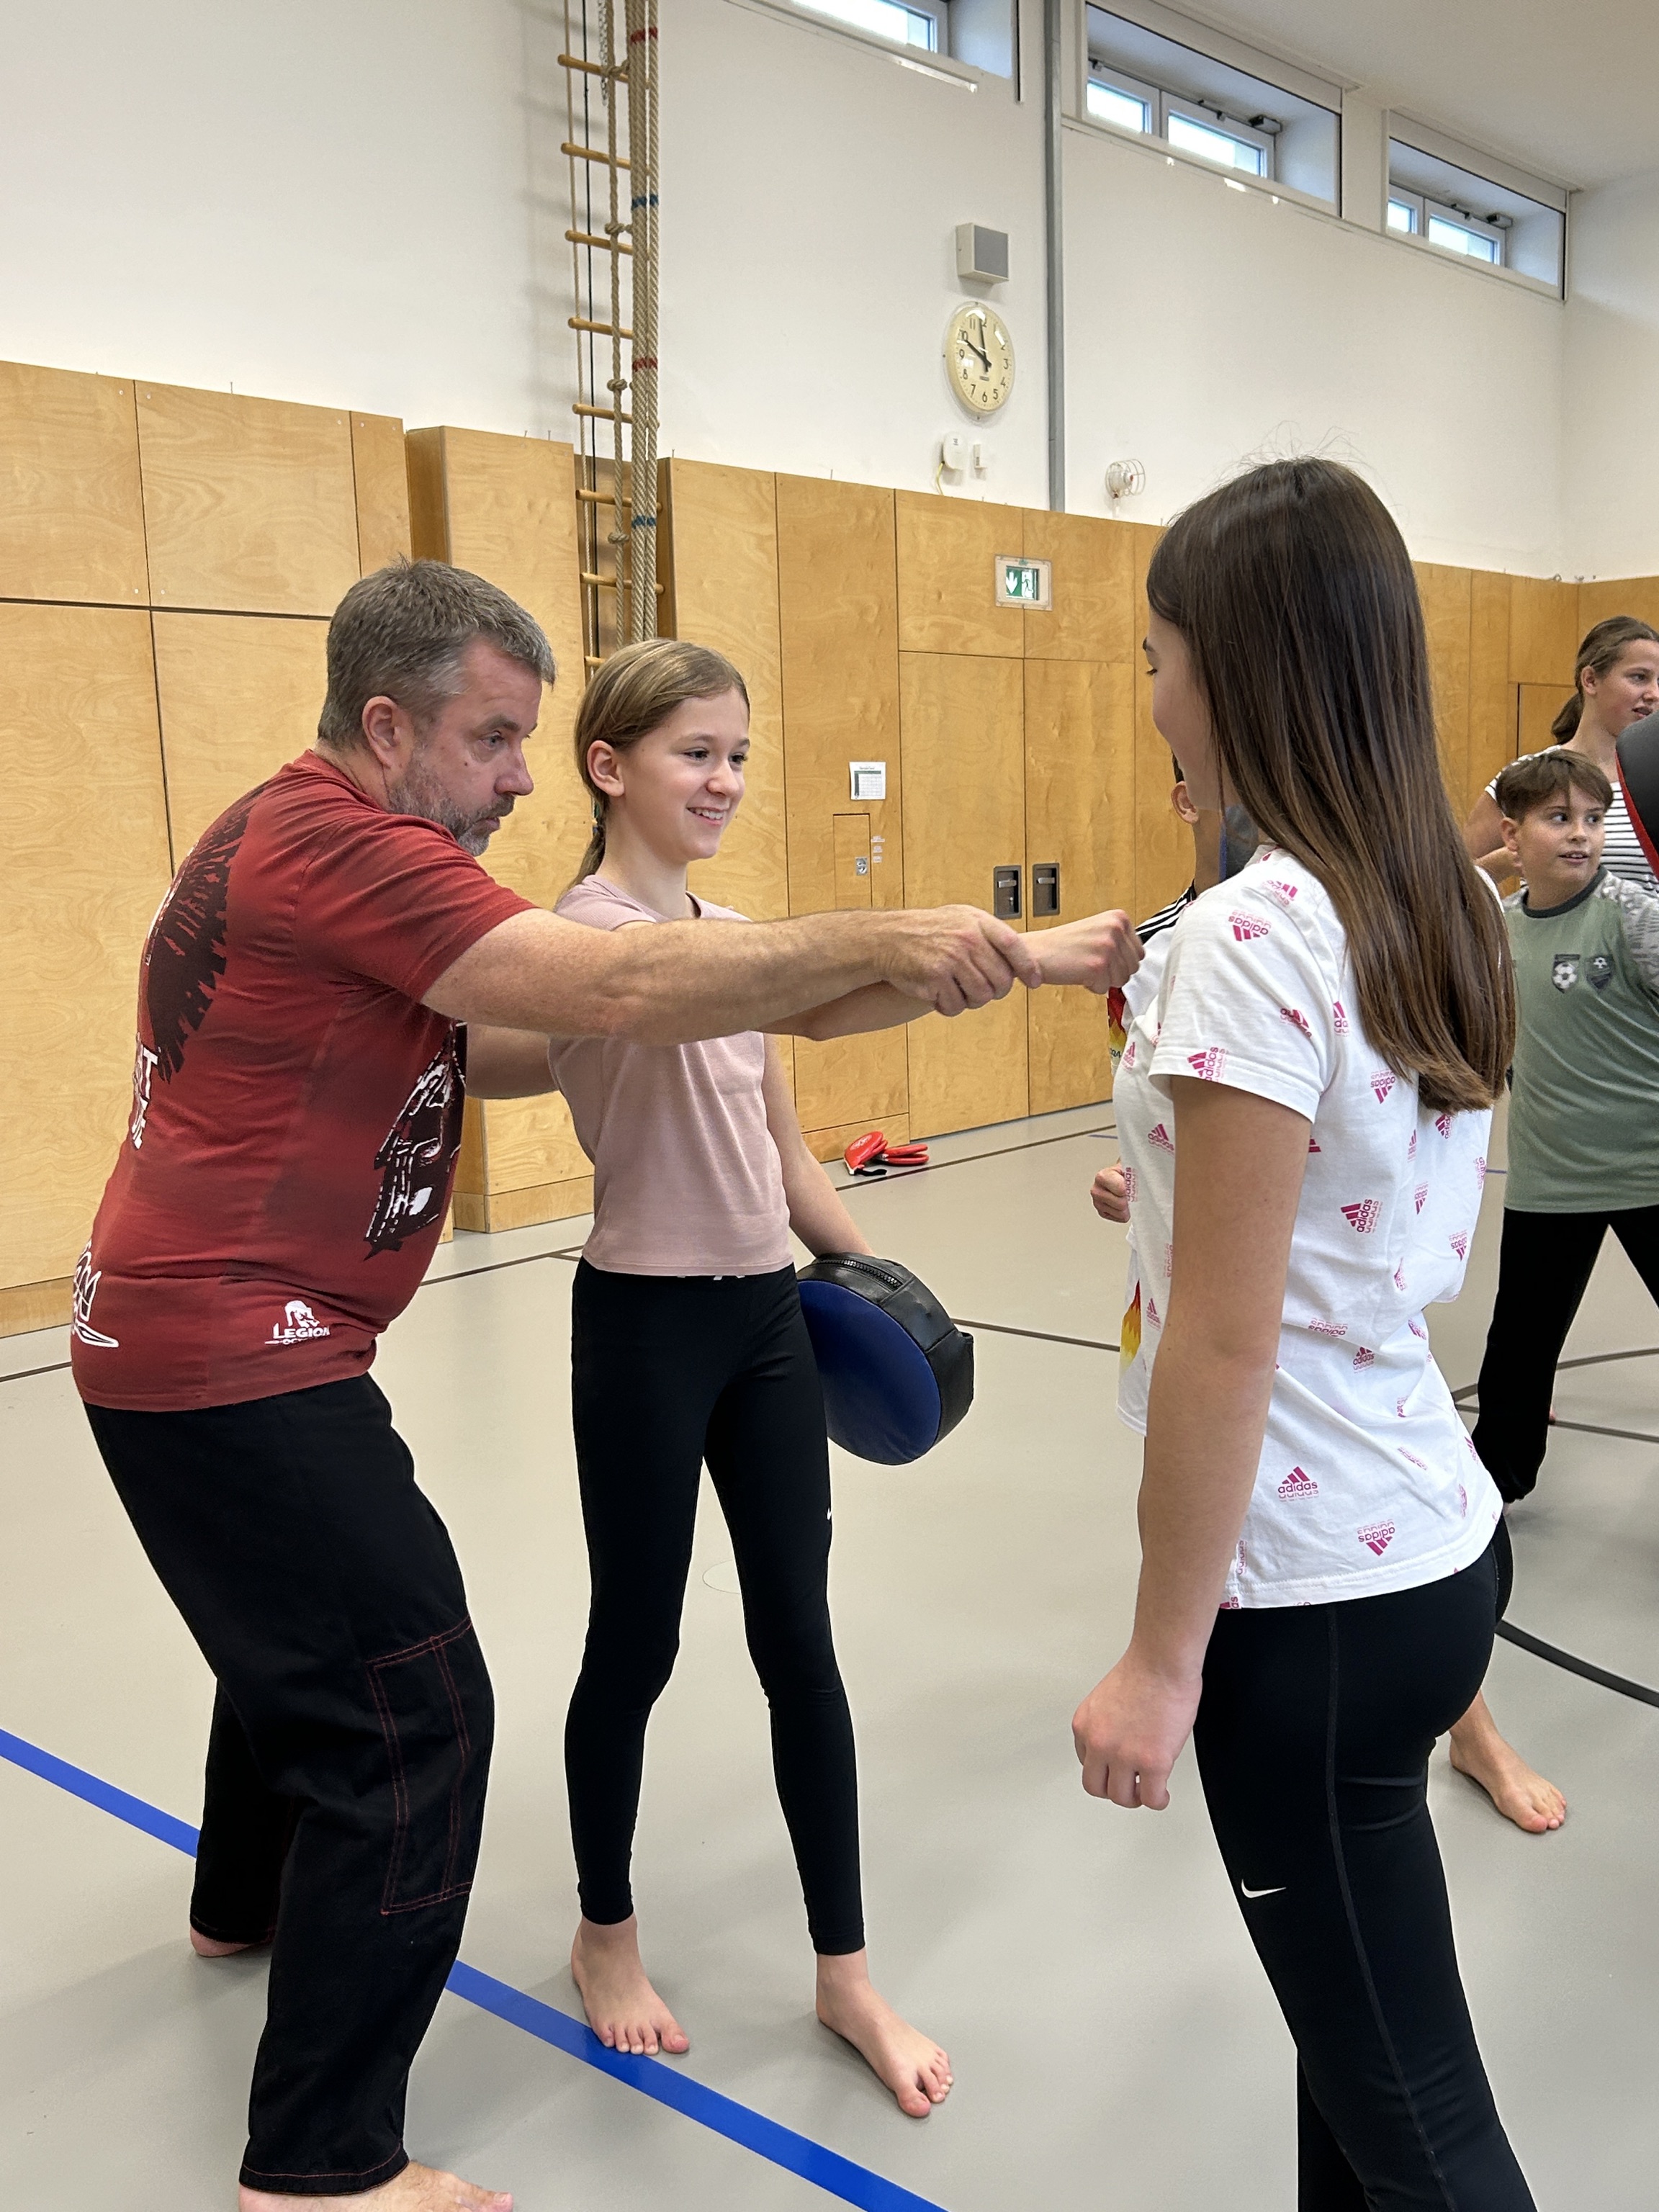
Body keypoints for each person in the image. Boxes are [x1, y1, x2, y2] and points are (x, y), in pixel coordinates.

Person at [71, 561, 1138, 2212]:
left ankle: (240, 1900)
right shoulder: (352, 848)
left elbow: (576, 1032)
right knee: (414, 1708)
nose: (514, 771)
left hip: (223, 1335)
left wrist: (957, 978)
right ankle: (320, 2164)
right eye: (493, 737)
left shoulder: (326, 856)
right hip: (233, 1345)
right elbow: (621, 991)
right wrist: (914, 930)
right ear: (387, 728)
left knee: (305, 1641)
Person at [478, 638, 1136, 2115]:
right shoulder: (585, 944)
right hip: (642, 1329)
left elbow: (782, 1144)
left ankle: (845, 1972)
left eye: (736, 756)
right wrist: (1014, 952)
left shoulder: (727, 935)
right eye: (693, 753)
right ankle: (603, 1935)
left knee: (801, 1647)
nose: (722, 780)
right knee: (634, 1644)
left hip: (764, 1325)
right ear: (607, 766)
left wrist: (883, 1287)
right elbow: (728, 994)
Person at [1071, 458, 1535, 2206]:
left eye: (1159, 657)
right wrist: (1172, 1189)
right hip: (1431, 1538)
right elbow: (1374, 1189)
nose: (1153, 699)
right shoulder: (1439, 897)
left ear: (1241, 669)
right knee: (1350, 2063)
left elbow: (1224, 1341)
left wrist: (1158, 1657)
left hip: (1307, 1602)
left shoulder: (1249, 931)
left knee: (1420, 2121)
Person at [1471, 749, 1659, 1503]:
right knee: (1518, 1346)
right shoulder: (1499, 931)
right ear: (1512, 836)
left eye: (1592, 818)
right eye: (1557, 818)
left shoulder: (1634, 917)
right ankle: (1494, 1484)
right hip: (1550, 1180)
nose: (1580, 834)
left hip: (1649, 1171)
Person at [1462, 615, 1659, 890]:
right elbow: (1455, 877)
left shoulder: (1653, 779)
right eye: (1639, 677)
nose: (1654, 694)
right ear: (1590, 680)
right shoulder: (1528, 775)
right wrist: (1510, 859)